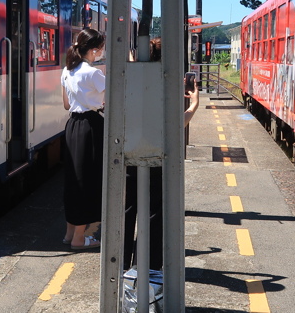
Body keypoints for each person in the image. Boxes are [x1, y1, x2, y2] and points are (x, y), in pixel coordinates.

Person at [122, 38, 199, 270]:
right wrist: (193, 105)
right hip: (157, 156)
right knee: (155, 214)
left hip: (129, 155)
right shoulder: (167, 87)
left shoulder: (127, 82)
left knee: (126, 212)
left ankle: (122, 266)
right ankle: (149, 268)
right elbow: (175, 125)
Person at [61, 28, 106, 250]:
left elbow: (67, 105)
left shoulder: (67, 70)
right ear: (95, 50)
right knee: (88, 180)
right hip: (91, 127)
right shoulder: (94, 73)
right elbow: (115, 97)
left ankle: (70, 234)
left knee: (73, 179)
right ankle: (80, 238)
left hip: (72, 126)